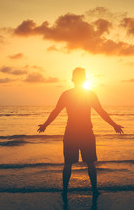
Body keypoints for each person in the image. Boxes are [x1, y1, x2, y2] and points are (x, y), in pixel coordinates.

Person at [37, 67, 123, 198]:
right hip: (83, 132)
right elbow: (101, 111)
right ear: (84, 79)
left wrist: (45, 124)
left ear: (73, 79)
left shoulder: (68, 94)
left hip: (74, 132)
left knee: (70, 163)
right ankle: (93, 191)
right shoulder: (88, 94)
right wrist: (114, 125)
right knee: (88, 163)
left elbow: (56, 111)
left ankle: (66, 192)